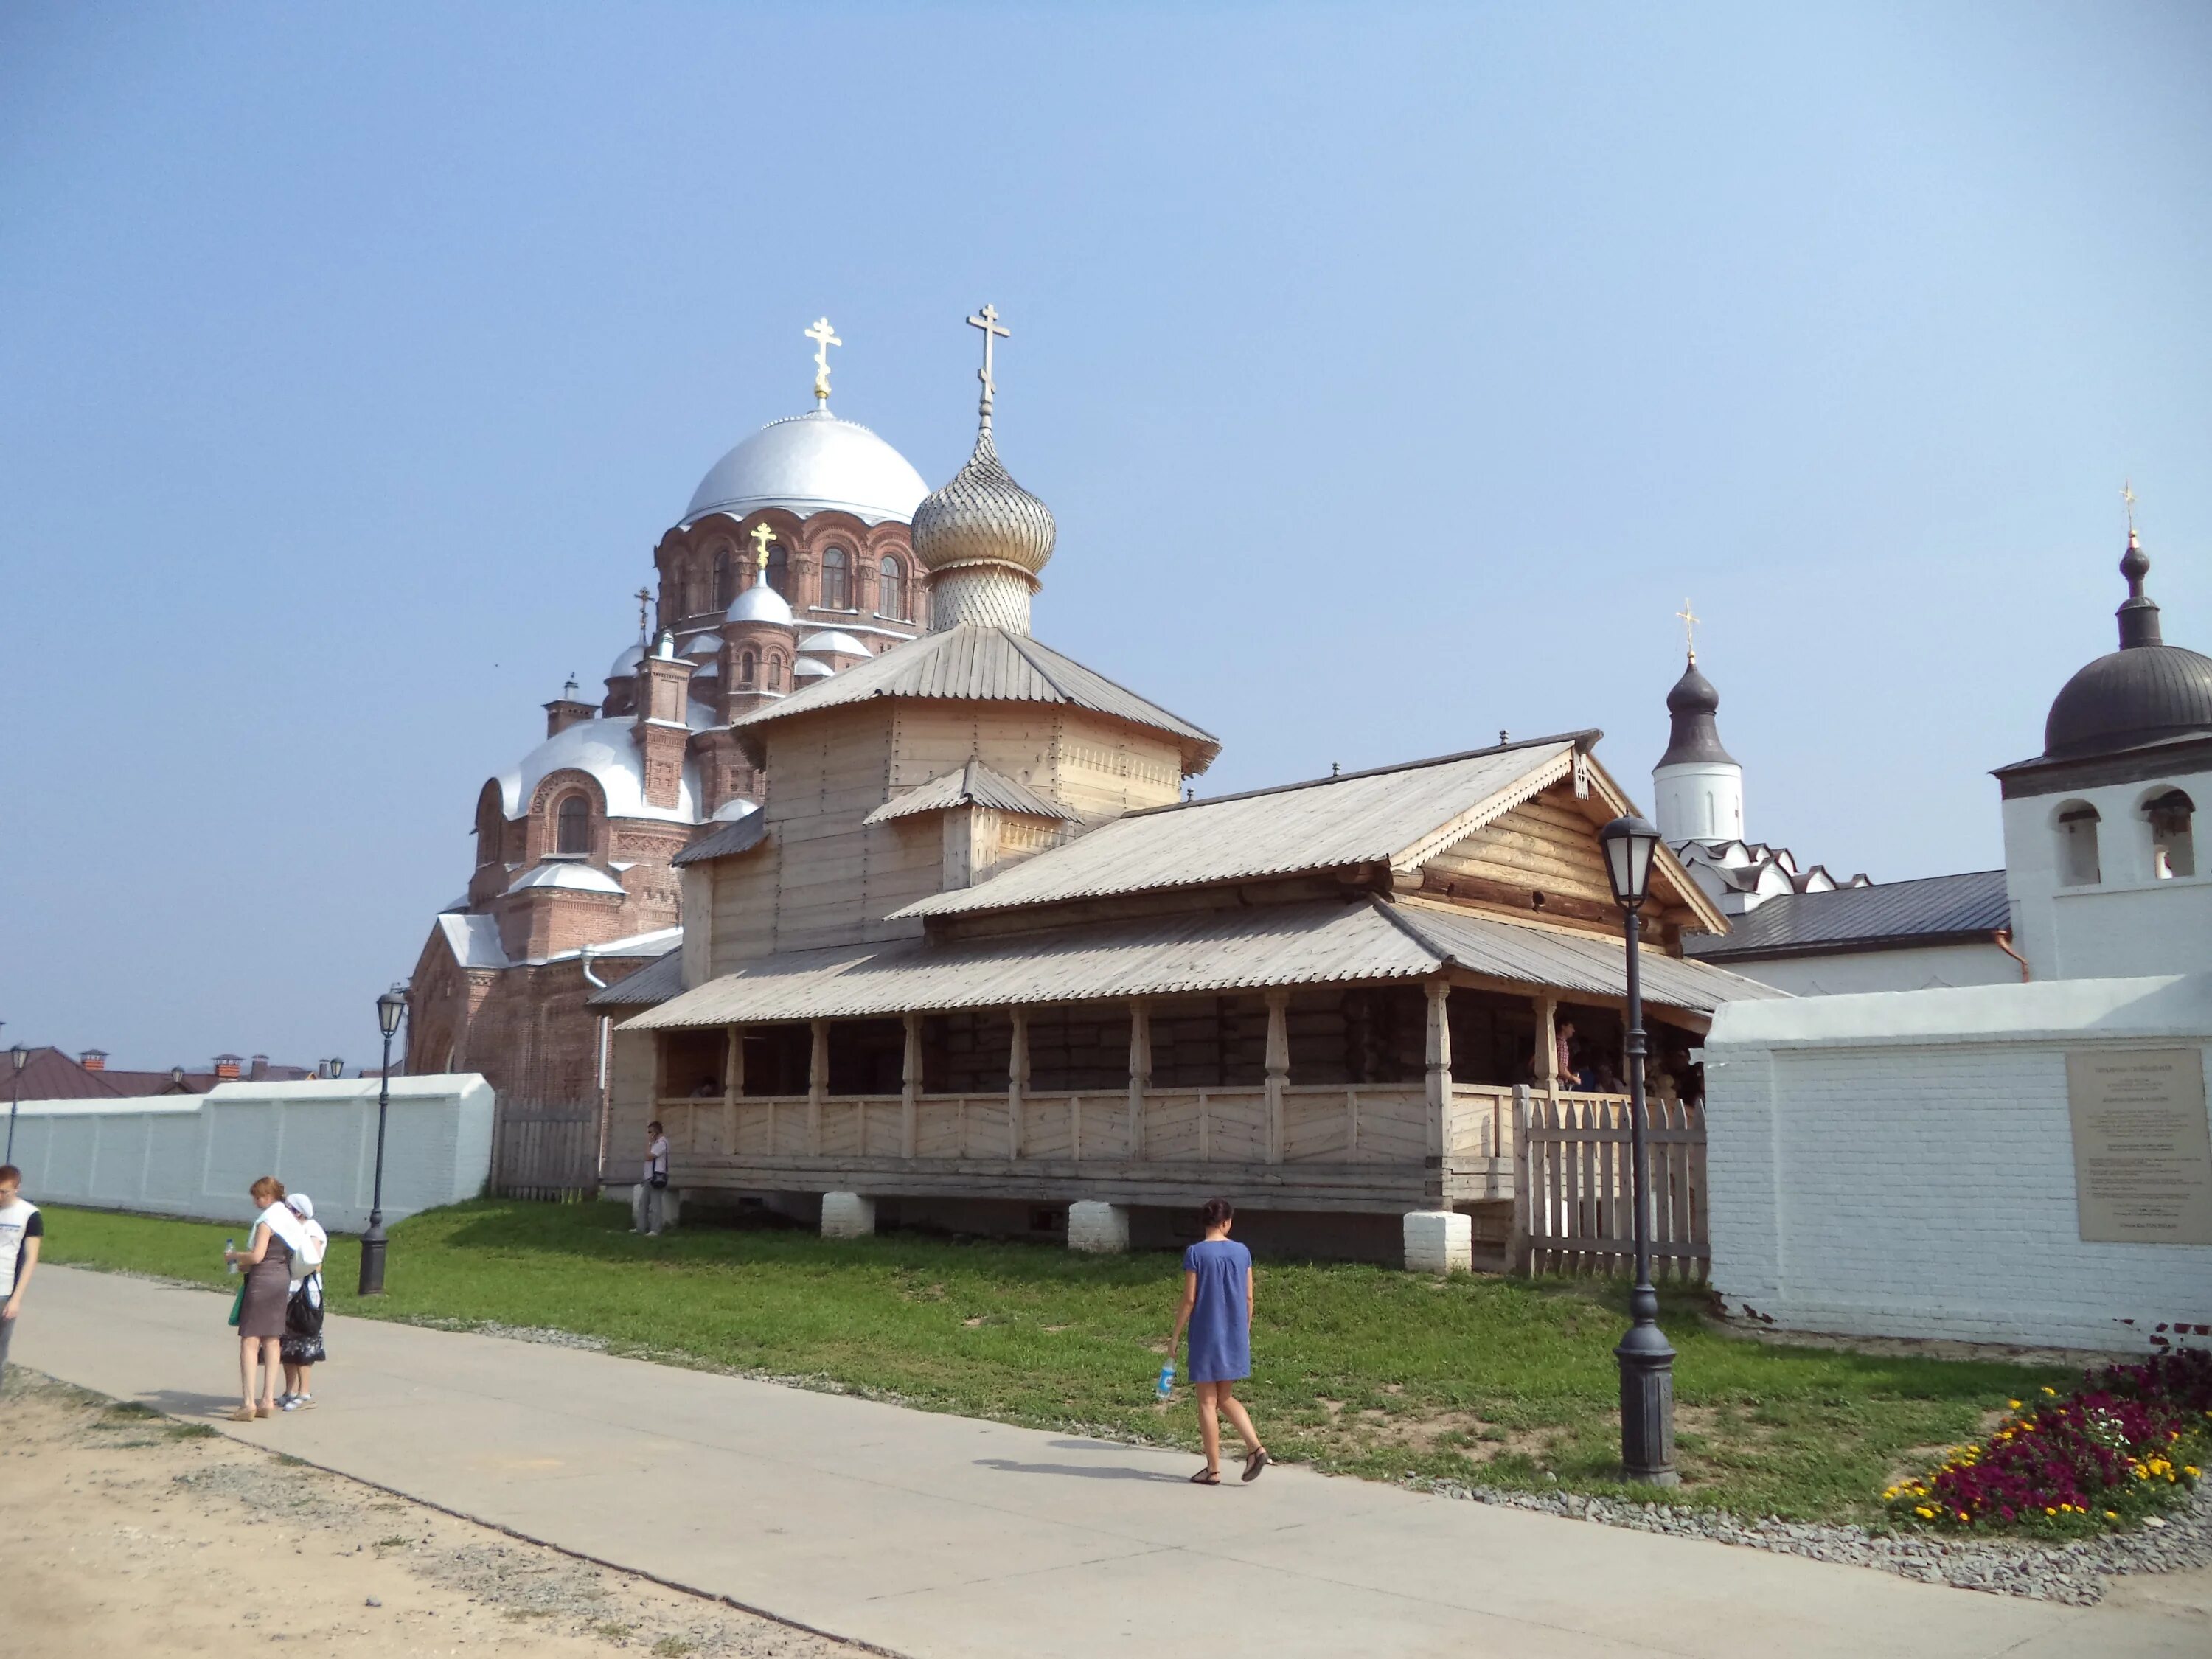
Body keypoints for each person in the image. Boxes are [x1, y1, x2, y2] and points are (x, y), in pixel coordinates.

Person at [1166, 1197, 1268, 1486]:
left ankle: (1213, 1469)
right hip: (1235, 1334)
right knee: (1225, 1397)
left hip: (1206, 1335)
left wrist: (1175, 1336)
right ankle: (1256, 1448)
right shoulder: (1242, 1251)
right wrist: (1243, 1330)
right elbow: (1249, 1297)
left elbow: (1189, 1299)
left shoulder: (1195, 1253)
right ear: (1226, 1223)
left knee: (1207, 1402)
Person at [225, 1175, 307, 1420]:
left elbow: (258, 1256)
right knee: (273, 1339)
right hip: (282, 1279)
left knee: (250, 1340)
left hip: (262, 1281)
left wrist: (235, 1257)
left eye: (258, 1197)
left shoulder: (267, 1221)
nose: (255, 1202)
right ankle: (268, 1399)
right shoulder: (289, 1221)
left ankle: (249, 1402)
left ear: (268, 1197)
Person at [279, 1192, 329, 1411]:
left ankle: (304, 1392)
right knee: (286, 1343)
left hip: (306, 1294)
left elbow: (314, 1262)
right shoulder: (293, 1229)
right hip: (289, 1290)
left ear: (298, 1211)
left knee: (304, 1343)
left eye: (288, 1208)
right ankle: (289, 1391)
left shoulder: (312, 1230)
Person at [0, 1164, 43, 1388]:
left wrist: (16, 1299)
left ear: (16, 1188)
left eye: (3, 1192)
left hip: (4, 1292)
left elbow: (30, 1259)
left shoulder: (29, 1215)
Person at [637, 1120, 670, 1236]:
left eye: (650, 1132)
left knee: (655, 1204)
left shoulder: (662, 1143)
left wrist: (648, 1143)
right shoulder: (655, 1143)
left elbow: (649, 1156)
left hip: (657, 1177)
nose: (648, 1134)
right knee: (643, 1203)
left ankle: (656, 1229)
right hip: (649, 1177)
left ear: (655, 1132)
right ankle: (641, 1227)